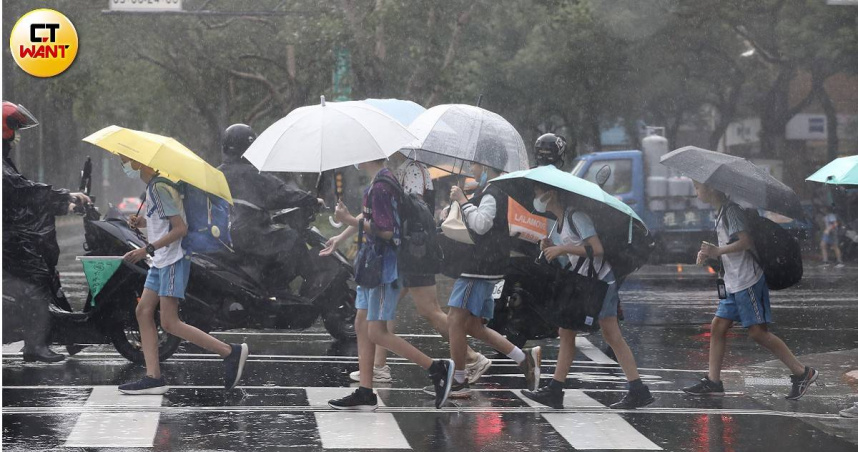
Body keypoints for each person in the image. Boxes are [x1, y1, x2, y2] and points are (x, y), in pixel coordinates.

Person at [330, 156, 491, 385]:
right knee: (378, 316)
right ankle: (378, 367)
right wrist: (342, 235)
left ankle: (469, 357)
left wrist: (351, 224)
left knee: (425, 310)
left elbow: (402, 215)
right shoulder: (395, 173)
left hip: (413, 250)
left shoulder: (410, 170)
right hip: (406, 249)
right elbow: (375, 213)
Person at [326, 158, 454, 410]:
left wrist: (349, 219)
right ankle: (365, 391)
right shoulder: (379, 182)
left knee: (376, 331)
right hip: (371, 265)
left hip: (384, 268)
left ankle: (437, 368)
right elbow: (372, 216)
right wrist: (341, 234)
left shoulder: (383, 185)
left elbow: (387, 231)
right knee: (361, 324)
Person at [117, 156, 248, 395]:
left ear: (139, 162)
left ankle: (230, 352)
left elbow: (180, 228)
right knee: (143, 311)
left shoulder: (159, 187)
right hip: (161, 261)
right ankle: (153, 376)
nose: (122, 165)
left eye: (124, 160)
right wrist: (143, 222)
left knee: (169, 322)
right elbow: (165, 222)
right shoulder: (155, 186)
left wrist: (146, 249)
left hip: (172, 260)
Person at [521, 183, 654, 409]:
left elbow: (596, 248)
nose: (535, 197)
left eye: (537, 193)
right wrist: (552, 246)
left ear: (550, 194)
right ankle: (556, 390)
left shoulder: (576, 216)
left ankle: (637, 389)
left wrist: (562, 250)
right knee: (568, 331)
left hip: (601, 283)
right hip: (587, 283)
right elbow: (577, 251)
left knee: (608, 335)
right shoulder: (560, 222)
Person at [683, 181, 818, 400]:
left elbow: (745, 242)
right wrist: (711, 253)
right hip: (733, 282)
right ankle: (713, 381)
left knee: (758, 333)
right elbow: (730, 245)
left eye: (697, 187)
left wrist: (717, 250)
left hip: (748, 281)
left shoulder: (732, 211)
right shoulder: (722, 212)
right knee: (718, 326)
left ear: (710, 188)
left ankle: (803, 372)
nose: (696, 192)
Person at [440, 159, 542, 398]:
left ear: (486, 166)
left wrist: (463, 201)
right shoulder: (490, 191)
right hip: (486, 265)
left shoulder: (493, 192)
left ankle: (459, 381)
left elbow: (481, 225)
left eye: (475, 166)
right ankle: (523, 359)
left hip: (479, 267)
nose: (472, 170)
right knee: (473, 325)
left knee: (455, 319)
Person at [2, 101, 91, 363]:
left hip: (11, 234)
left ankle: (60, 334)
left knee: (45, 274)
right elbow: (24, 192)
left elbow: (26, 192)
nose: (17, 134)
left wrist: (64, 201)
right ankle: (35, 344)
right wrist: (64, 197)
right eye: (15, 127)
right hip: (8, 238)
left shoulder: (3, 161)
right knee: (38, 278)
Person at [217, 123, 325, 291]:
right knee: (292, 239)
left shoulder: (217, 173)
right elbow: (281, 193)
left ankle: (273, 288)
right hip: (251, 236)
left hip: (224, 238)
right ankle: (312, 286)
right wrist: (312, 200)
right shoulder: (251, 175)